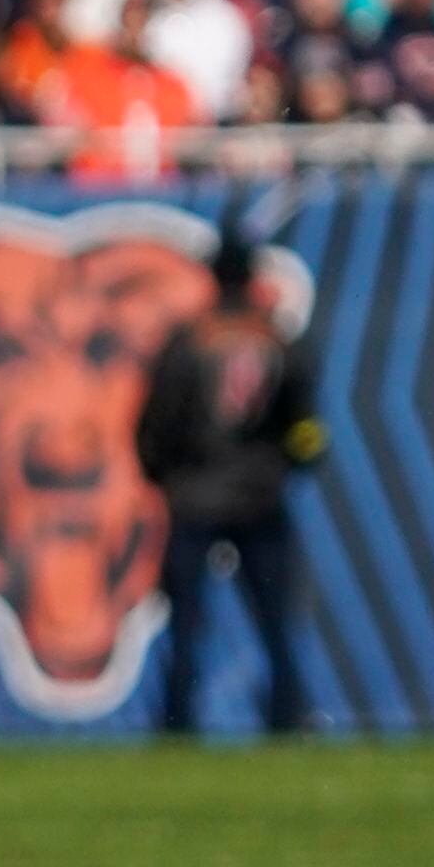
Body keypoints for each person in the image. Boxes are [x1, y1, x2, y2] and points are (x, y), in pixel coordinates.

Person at [134, 231, 324, 735]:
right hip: (261, 497)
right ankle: (287, 718)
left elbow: (156, 424)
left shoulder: (189, 340)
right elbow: (304, 427)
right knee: (276, 621)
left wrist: (162, 475)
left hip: (195, 497)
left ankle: (178, 723)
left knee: (187, 624)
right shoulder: (279, 341)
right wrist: (292, 462)